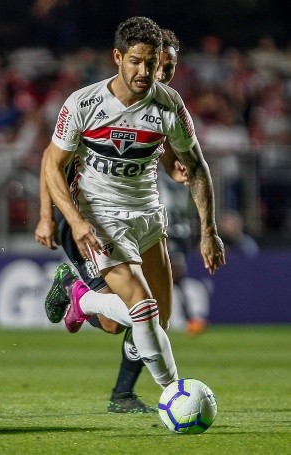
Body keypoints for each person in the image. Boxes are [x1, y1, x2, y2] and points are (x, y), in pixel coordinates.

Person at [38, 17, 225, 395]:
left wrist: (210, 232)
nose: (145, 71)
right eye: (136, 61)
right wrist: (70, 220)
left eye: (152, 62)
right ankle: (175, 394)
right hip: (101, 217)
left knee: (156, 323)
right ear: (118, 57)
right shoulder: (83, 104)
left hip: (148, 217)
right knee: (143, 311)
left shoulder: (169, 105)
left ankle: (82, 295)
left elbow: (197, 167)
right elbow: (51, 164)